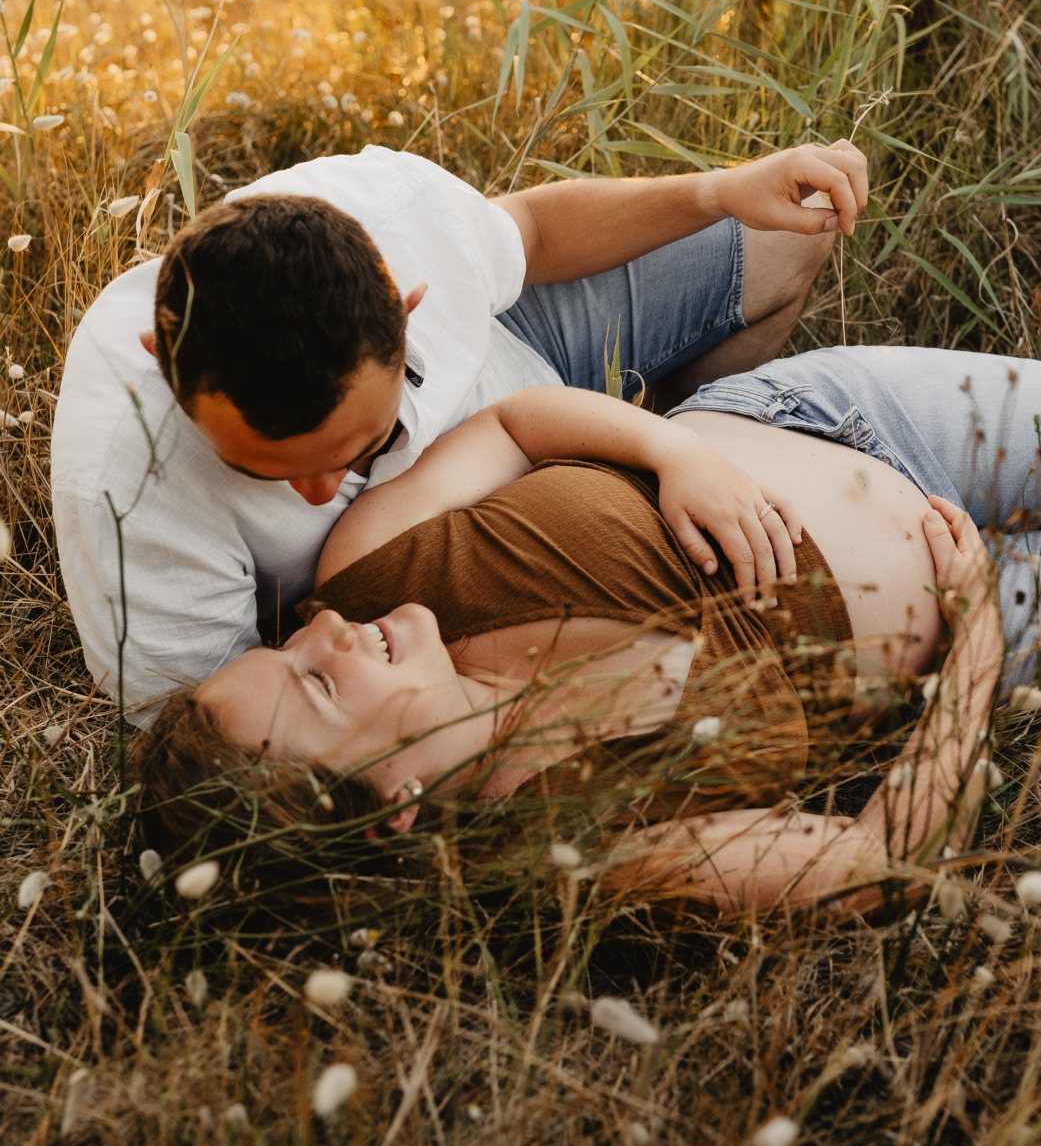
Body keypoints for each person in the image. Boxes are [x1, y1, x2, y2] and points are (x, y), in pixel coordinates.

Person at [132, 347, 1041, 919]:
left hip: (836, 418)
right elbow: (877, 862)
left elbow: (513, 423)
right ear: (385, 814)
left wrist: (674, 457)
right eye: (313, 687)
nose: (321, 633)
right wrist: (975, 630)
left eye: (281, 650)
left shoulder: (371, 564)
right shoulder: (582, 852)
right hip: (986, 616)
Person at [51, 137, 868, 718]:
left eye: (359, 451)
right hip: (462, 555)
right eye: (266, 474)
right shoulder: (128, 494)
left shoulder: (390, 212)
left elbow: (534, 233)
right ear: (163, 362)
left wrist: (718, 192)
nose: (322, 494)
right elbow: (238, 735)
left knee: (784, 229)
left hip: (531, 358)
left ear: (405, 304)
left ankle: (689, 439)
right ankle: (646, 481)